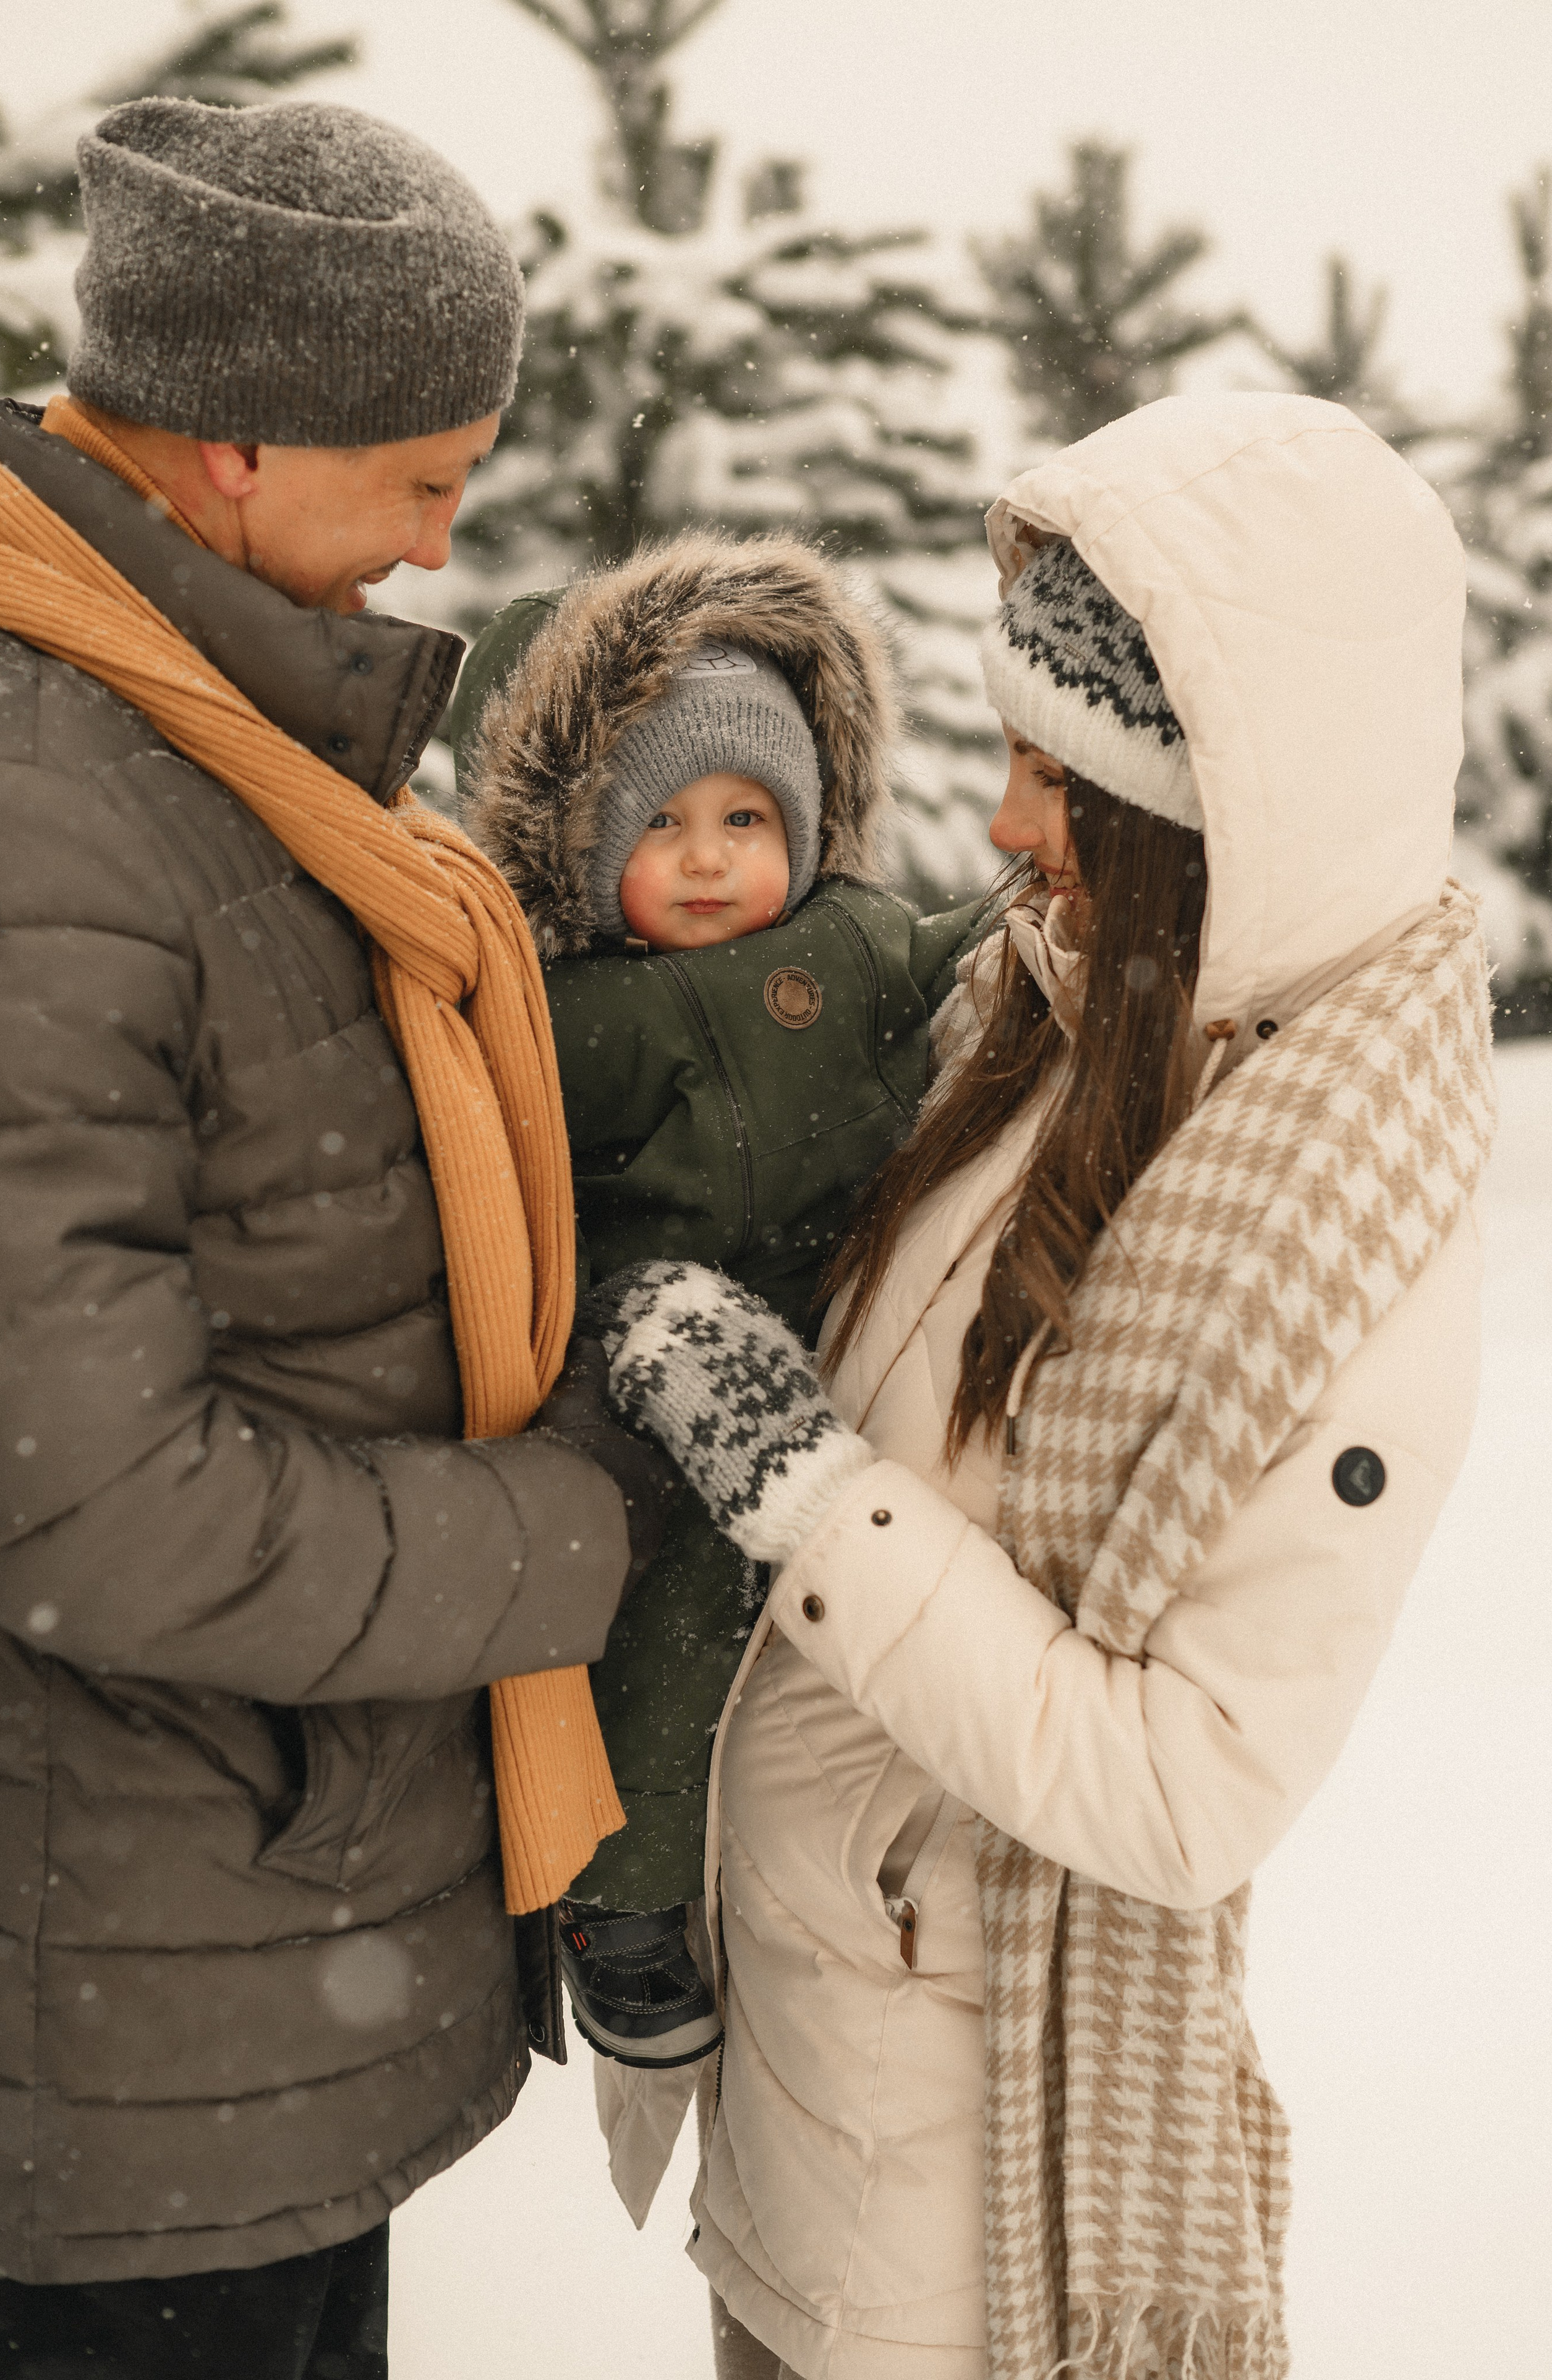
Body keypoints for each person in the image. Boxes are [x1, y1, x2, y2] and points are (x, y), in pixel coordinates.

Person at [581, 393, 1495, 2379]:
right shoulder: (1045, 1000)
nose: (1002, 826)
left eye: (1052, 773)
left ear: (1209, 811)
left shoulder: (1341, 1211)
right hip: (809, 2064)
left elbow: (1182, 1794)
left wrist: (801, 1486)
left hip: (976, 2202)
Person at [0, 97, 676, 2378]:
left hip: (223, 1965)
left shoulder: (204, 737)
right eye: (427, 478)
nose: (439, 543)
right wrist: (559, 1531)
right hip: (124, 2016)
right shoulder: (40, 807)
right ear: (243, 441)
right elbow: (80, 1490)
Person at [452, 534, 987, 2069]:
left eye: (745, 818)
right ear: (576, 847)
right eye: (660, 823)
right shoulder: (558, 1010)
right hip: (644, 1358)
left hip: (836, 1327)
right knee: (667, 1601)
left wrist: (1048, 934)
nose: (706, 858)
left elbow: (974, 965)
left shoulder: (856, 945)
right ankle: (617, 1900)